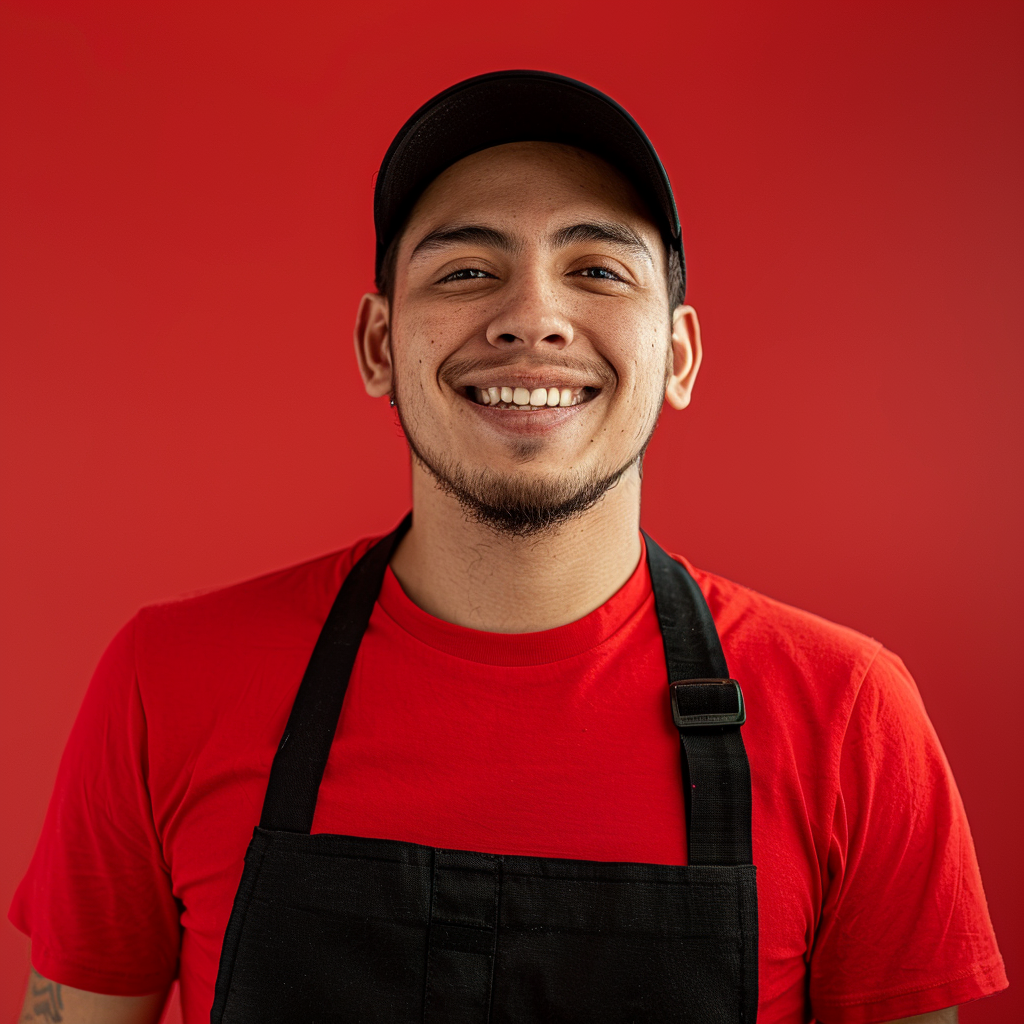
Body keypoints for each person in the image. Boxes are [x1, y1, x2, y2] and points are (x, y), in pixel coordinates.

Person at [12, 71, 1006, 1024]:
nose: (532, 318)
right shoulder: (166, 682)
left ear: (680, 357)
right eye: (467, 270)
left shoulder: (852, 721)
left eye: (596, 270)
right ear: (376, 345)